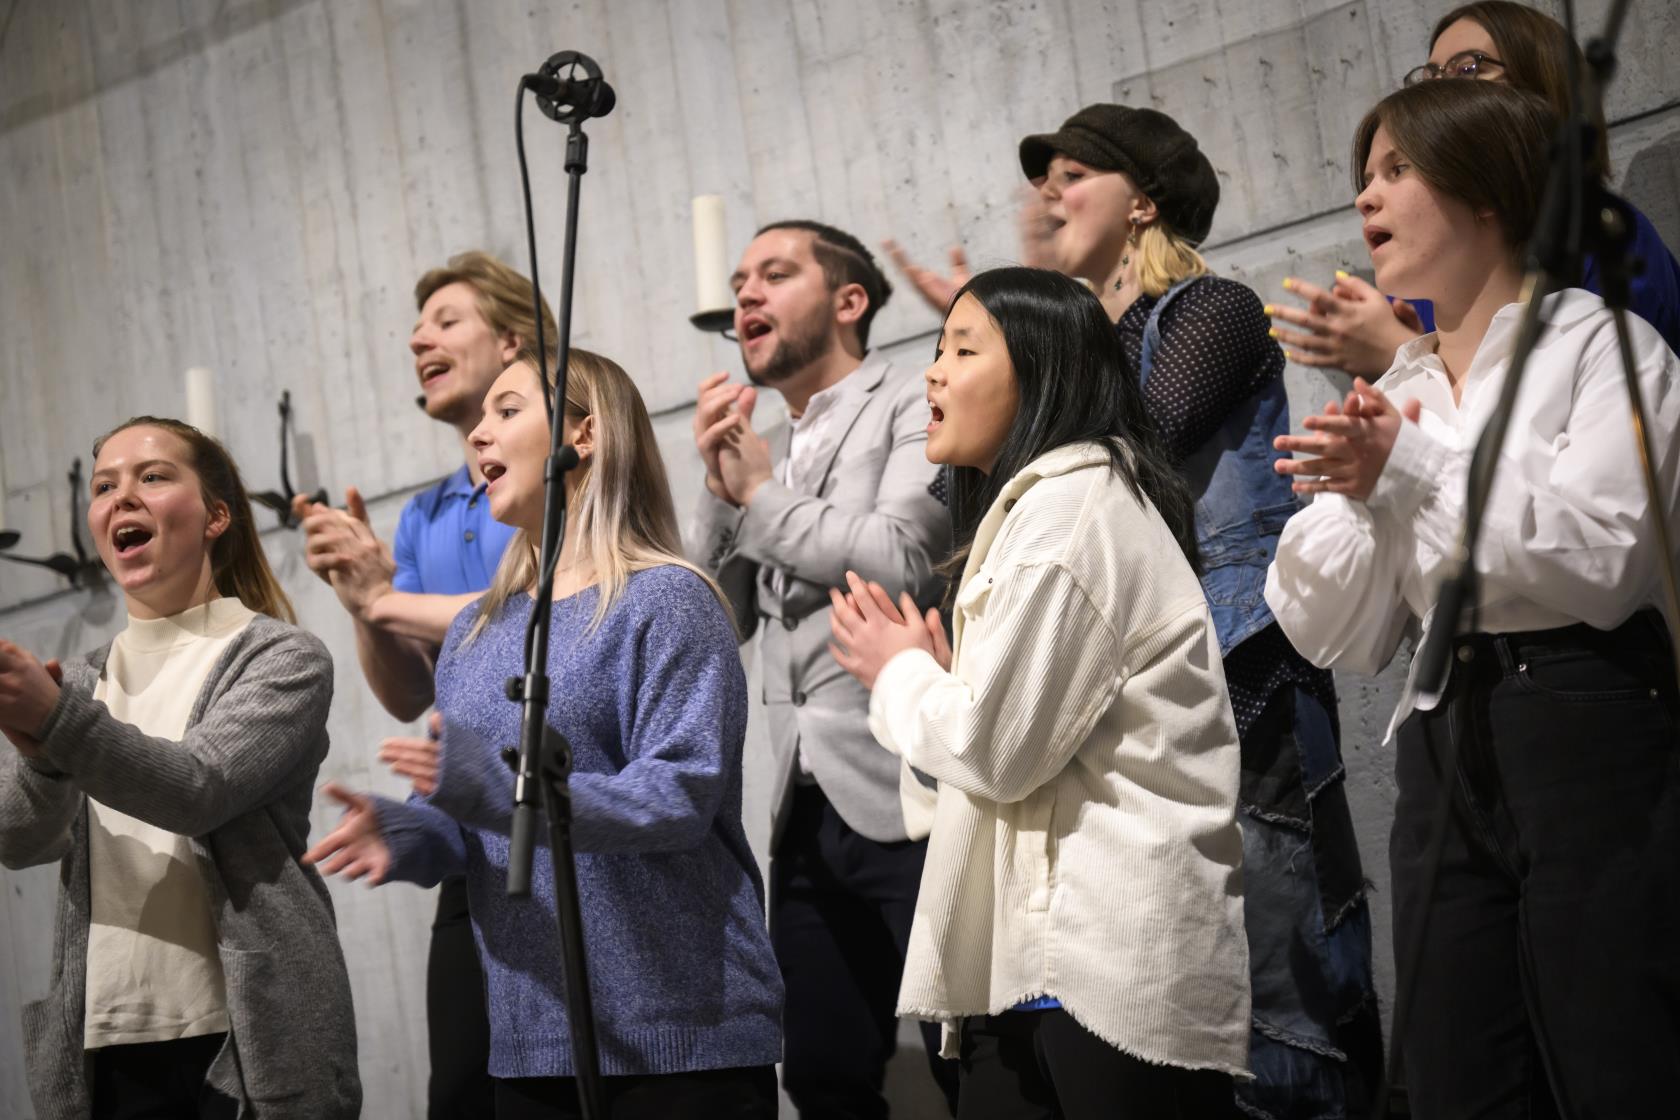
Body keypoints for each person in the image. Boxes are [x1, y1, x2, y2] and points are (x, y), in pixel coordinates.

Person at [889, 106, 1384, 1115]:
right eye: (1044, 180)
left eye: (1075, 174)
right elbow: (974, 503)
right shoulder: (1082, 359)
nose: (1049, 194)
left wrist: (1025, 376)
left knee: (1287, 977)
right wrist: (989, 380)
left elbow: (1134, 441)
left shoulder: (1213, 308)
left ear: (1144, 199)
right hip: (1114, 680)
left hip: (1241, 666)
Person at [1265, 79, 1680, 1116]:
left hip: (1589, 720)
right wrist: (1366, 492)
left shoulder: (1604, 345)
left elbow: (1607, 557)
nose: (1366, 200)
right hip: (1441, 728)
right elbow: (1335, 629)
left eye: (1398, 171)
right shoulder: (1400, 389)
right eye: (1363, 175)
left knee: (1617, 1049)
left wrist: (1403, 469)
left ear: (1490, 195)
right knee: (1457, 1071)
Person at [305, 347, 784, 1120]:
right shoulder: (476, 631)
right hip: (532, 1038)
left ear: (584, 435)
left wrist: (507, 798)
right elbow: (483, 823)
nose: (477, 436)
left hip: (682, 1037)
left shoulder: (669, 601)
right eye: (480, 419)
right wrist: (413, 833)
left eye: (507, 410)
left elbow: (679, 797)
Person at [828, 266, 1249, 1118]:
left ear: (1043, 371)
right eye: (938, 349)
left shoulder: (1071, 512)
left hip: (1102, 972)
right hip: (1030, 968)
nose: (932, 373)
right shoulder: (1038, 513)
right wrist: (945, 687)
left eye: (962, 348)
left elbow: (993, 750)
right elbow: (992, 760)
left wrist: (902, 671)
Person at [0, 417, 360, 1119]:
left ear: (216, 516)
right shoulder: (75, 680)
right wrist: (46, 759)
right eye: (104, 486)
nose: (121, 498)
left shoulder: (280, 657)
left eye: (153, 477)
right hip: (107, 1043)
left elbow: (200, 787)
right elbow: (18, 840)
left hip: (250, 1039)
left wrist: (56, 723)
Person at [691, 219, 958, 1115]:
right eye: (738, 283)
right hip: (800, 804)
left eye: (774, 274)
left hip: (911, 787)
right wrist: (717, 487)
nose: (746, 297)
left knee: (974, 1058)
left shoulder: (914, 399)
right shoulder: (763, 439)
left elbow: (900, 557)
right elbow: (714, 622)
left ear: (849, 302)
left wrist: (761, 494)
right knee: (818, 1076)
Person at [294, 249, 557, 1117]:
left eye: (447, 321)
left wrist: (390, 597)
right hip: (466, 835)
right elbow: (408, 697)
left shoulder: (564, 478)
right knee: (464, 1094)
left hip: (574, 816)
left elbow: (541, 621)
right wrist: (364, 602)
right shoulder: (428, 511)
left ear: (514, 339)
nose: (419, 339)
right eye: (417, 328)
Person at [1269, 0, 1680, 374]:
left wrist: (1402, 354)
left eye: (1468, 68)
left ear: (1543, 88)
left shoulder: (1605, 236)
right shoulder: (1434, 260)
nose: (1439, 89)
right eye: (1429, 76)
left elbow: (1598, 401)